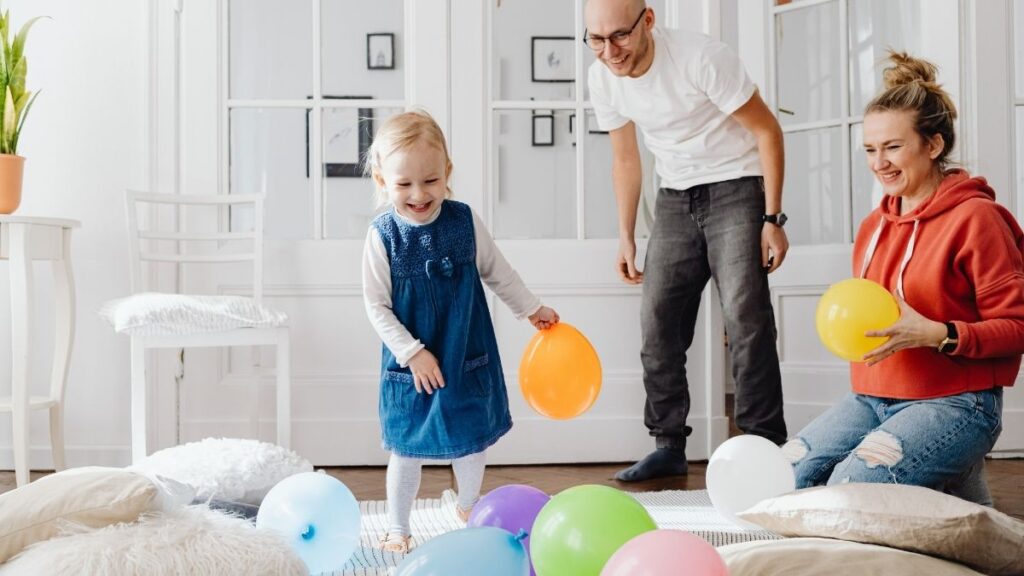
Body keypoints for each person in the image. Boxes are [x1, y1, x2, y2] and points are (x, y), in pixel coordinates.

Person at [784, 52, 1024, 505]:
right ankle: (962, 499)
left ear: (932, 145)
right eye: (871, 150)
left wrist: (939, 334)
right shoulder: (874, 225)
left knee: (849, 493)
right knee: (782, 476)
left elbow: (1018, 326)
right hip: (873, 398)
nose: (880, 163)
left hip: (957, 403)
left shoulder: (978, 219)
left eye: (893, 147)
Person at [584, 0, 789, 481]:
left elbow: (768, 131)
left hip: (738, 186)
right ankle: (668, 444)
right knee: (659, 321)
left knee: (746, 319)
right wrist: (626, 234)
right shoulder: (603, 78)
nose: (610, 51)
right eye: (596, 39)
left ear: (648, 20)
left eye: (620, 36)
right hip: (674, 196)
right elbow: (626, 159)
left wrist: (773, 217)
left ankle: (764, 447)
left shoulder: (701, 58)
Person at [362, 110, 559, 552]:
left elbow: (498, 272)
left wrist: (531, 308)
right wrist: (411, 352)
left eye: (430, 181)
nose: (418, 194)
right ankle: (398, 526)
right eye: (404, 183)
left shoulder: (464, 221)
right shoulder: (383, 236)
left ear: (447, 173)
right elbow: (376, 306)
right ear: (381, 180)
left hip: (465, 351)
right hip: (413, 364)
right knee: (406, 446)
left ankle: (470, 505)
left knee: (470, 439)